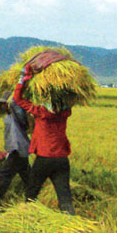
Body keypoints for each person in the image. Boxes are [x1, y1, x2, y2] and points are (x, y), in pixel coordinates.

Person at [13, 65, 74, 214]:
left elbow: (18, 99)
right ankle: (70, 219)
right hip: (62, 159)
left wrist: (23, 81)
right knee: (64, 194)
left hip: (45, 159)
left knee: (32, 191)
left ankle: (27, 215)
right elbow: (71, 100)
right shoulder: (65, 113)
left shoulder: (41, 112)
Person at [0, 91, 30, 200]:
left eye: (4, 104)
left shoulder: (17, 115)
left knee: (5, 173)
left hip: (17, 148)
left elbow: (16, 106)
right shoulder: (8, 116)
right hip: (18, 149)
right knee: (26, 173)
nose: (2, 106)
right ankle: (33, 194)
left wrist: (15, 95)